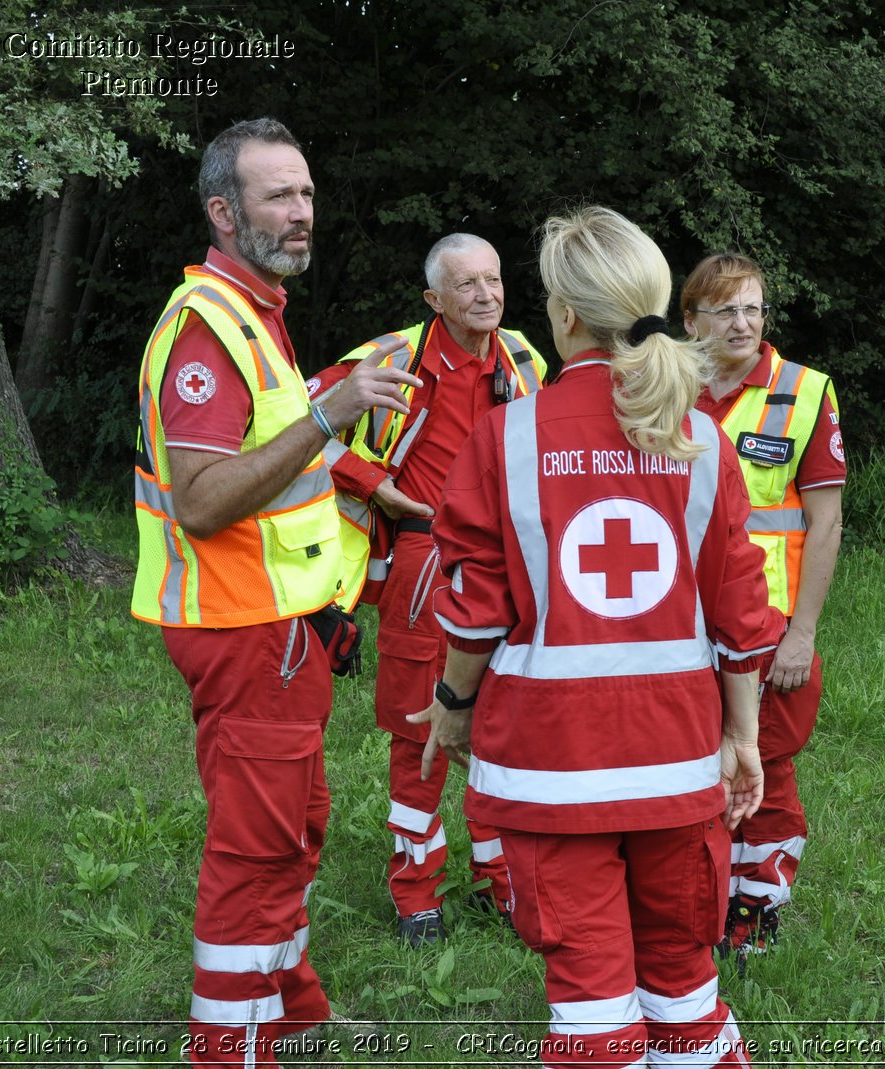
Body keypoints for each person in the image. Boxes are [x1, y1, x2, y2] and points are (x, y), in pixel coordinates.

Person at [409, 206, 782, 1068]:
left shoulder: (506, 437)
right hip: (678, 766)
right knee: (687, 987)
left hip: (552, 772)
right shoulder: (702, 440)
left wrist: (452, 705)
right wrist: (744, 738)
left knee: (591, 1008)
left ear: (566, 316)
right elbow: (740, 618)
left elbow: (477, 607)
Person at [131, 118, 419, 1066]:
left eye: (304, 194)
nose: (301, 214)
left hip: (285, 631)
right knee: (256, 851)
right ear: (224, 212)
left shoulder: (259, 312)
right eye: (276, 196)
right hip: (245, 629)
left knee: (295, 830)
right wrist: (333, 412)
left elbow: (281, 461)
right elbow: (208, 501)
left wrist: (370, 484)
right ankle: (225, 1046)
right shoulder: (206, 330)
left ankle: (292, 1013)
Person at [306, 234, 547, 945]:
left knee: (504, 728)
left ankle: (499, 879)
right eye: (467, 283)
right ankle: (416, 892)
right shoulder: (392, 358)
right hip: (425, 564)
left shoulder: (524, 359)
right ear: (433, 300)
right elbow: (294, 420)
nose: (485, 294)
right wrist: (369, 480)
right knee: (421, 729)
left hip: (510, 569)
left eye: (494, 280)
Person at [680, 254, 844, 966]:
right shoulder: (665, 389)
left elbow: (826, 522)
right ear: (691, 322)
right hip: (677, 626)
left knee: (767, 770)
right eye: (725, 311)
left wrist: (801, 634)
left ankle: (756, 907)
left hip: (765, 629)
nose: (743, 323)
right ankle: (698, 897)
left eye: (753, 308)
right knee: (690, 764)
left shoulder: (804, 392)